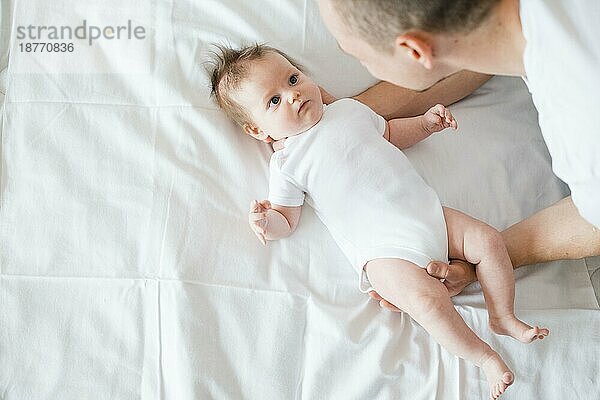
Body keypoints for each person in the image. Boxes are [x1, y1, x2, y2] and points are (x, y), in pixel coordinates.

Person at [209, 43, 549, 399]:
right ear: (258, 131)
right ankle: (485, 358)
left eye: (293, 79)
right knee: (429, 303)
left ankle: (502, 315)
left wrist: (425, 124)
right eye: (274, 101)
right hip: (384, 252)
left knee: (489, 241)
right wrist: (267, 223)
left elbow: (389, 133)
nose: (292, 95)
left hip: (427, 212)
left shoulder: (349, 110)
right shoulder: (287, 163)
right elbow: (287, 219)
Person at [317, 0, 600, 310]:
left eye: (357, 55)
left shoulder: (587, 142)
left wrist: (480, 262)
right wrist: (330, 127)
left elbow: (592, 221)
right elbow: (467, 55)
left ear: (414, 51)